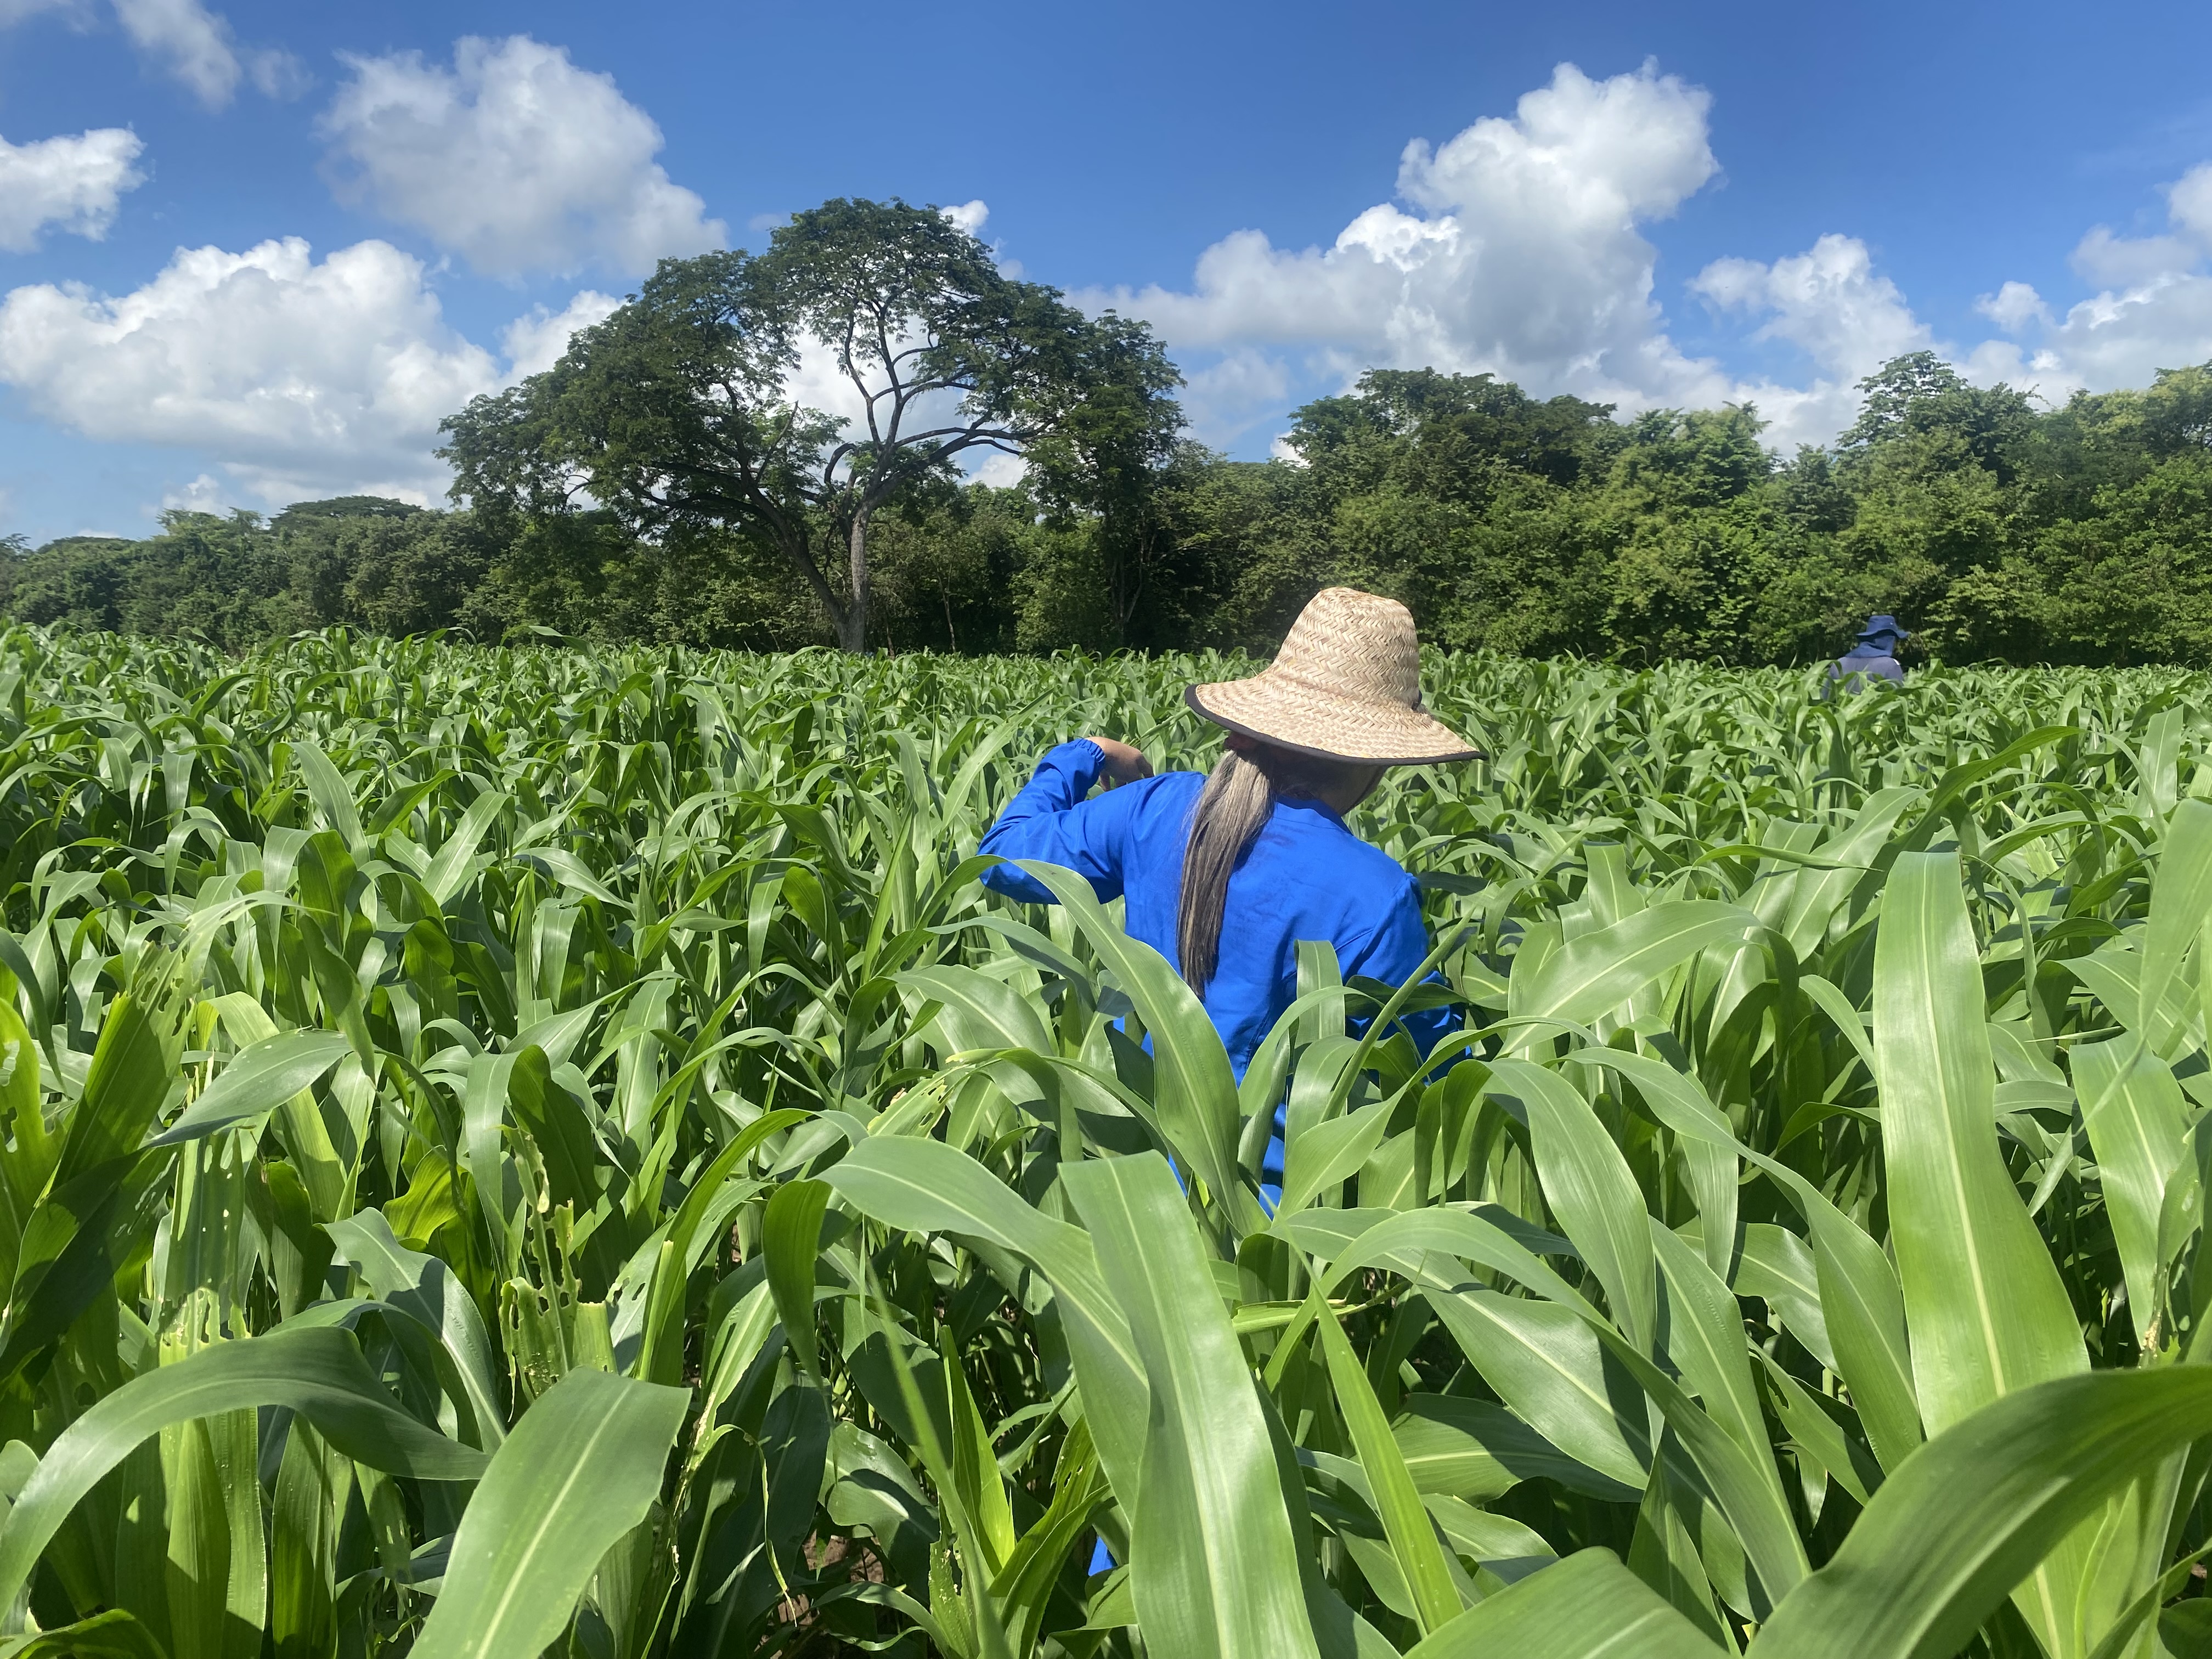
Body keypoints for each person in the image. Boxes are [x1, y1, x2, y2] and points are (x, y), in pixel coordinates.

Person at [977, 585, 1482, 1207]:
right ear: (1377, 760)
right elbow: (1427, 1085)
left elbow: (1001, 858)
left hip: (1126, 1188)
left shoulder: (1154, 806)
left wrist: (1086, 753)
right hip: (1274, 1230)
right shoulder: (1374, 894)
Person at [1830, 613, 1909, 690]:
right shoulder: (1890, 665)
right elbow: (1899, 698)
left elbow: (1826, 697)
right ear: (1889, 639)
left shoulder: (1839, 664)